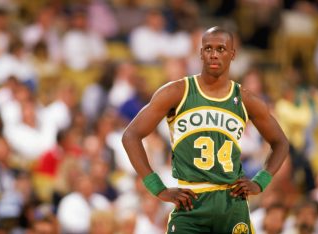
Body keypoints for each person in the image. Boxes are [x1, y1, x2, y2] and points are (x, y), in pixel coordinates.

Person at [122, 26, 289, 233]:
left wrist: (260, 182)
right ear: (200, 53)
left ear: (232, 54)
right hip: (191, 203)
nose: (214, 54)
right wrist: (157, 188)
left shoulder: (246, 99)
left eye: (221, 49)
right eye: (208, 48)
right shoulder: (176, 92)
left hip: (231, 203)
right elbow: (130, 136)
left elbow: (281, 142)